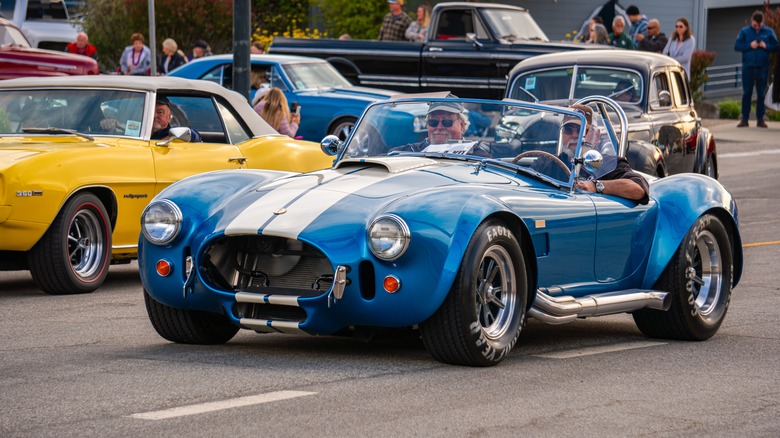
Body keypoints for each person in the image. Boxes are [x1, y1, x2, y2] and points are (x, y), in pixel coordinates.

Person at [563, 105, 649, 203]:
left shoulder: (610, 164)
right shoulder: (549, 163)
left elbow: (637, 190)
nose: (574, 135)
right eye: (568, 130)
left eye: (582, 130)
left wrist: (596, 186)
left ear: (597, 135)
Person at [735, 11, 779, 128]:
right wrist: (750, 45)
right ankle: (744, 119)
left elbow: (776, 47)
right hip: (748, 67)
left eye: (759, 25)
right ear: (751, 21)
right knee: (746, 93)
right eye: (755, 25)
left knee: (761, 94)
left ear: (762, 22)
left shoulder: (769, 32)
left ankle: (760, 119)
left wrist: (766, 46)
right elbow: (737, 46)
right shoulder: (744, 31)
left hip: (763, 67)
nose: (757, 27)